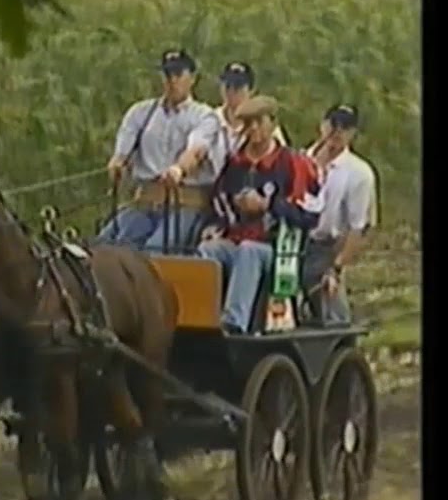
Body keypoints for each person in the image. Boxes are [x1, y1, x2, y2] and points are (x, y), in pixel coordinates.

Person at [196, 96, 323, 334]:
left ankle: (234, 323)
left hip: (275, 248)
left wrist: (269, 205)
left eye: (258, 122)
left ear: (273, 123)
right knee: (208, 250)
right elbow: (219, 200)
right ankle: (201, 319)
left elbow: (311, 213)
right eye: (247, 123)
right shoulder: (235, 163)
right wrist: (218, 224)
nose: (253, 129)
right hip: (236, 239)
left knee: (249, 250)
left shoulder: (293, 163)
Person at [95, 49, 218, 252]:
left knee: (155, 249)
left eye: (178, 75)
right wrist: (117, 165)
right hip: (145, 202)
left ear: (192, 79)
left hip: (184, 205)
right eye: (167, 75)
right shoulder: (140, 113)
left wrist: (178, 170)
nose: (172, 81)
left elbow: (196, 151)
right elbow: (122, 153)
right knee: (107, 245)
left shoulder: (204, 116)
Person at [301, 103, 379, 325]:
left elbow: (359, 228)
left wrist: (336, 267)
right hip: (293, 243)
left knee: (332, 314)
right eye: (333, 124)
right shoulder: (300, 159)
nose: (337, 131)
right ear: (322, 125)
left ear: (353, 133)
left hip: (326, 248)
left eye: (344, 127)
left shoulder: (359, 173)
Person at [162, 61, 286, 196]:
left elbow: (280, 162)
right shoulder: (209, 119)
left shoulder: (263, 127)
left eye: (238, 87)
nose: (231, 92)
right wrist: (179, 169)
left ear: (251, 91)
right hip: (213, 196)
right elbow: (196, 149)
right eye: (227, 86)